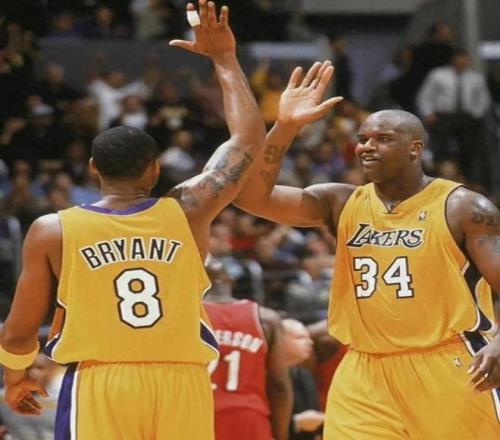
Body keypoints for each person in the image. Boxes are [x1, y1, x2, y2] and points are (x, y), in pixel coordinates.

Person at [0, 1, 268, 439]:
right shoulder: (189, 210)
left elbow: (18, 332)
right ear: (155, 169)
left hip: (101, 382)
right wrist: (224, 59)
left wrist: (16, 378)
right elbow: (248, 140)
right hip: (182, 382)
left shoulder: (53, 229)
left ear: (93, 169)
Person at [233, 61, 500, 438]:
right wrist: (286, 126)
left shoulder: (463, 208)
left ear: (415, 148)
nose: (367, 147)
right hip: (363, 371)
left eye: (383, 139)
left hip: (448, 362)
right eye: (363, 139)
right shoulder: (340, 201)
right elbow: (250, 197)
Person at [203, 257, 292, 440]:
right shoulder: (265, 318)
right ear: (231, 281)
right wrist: (281, 434)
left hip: (198, 414)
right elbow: (279, 384)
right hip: (248, 416)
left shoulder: (185, 317)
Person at [281, 318, 324, 440]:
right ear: (279, 341)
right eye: (300, 337)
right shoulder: (267, 376)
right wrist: (295, 423)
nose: (310, 342)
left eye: (309, 337)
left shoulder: (305, 374)